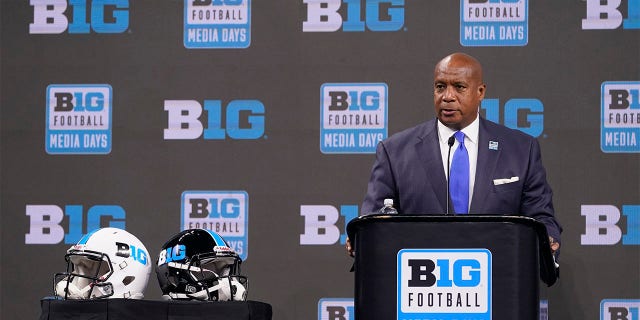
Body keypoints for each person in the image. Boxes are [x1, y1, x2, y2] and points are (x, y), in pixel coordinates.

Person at [346, 52, 561, 257]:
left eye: (459, 87)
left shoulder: (521, 149)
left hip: (498, 279)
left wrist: (548, 239)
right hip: (420, 285)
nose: (448, 96)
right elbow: (375, 218)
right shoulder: (394, 151)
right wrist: (363, 237)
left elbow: (540, 216)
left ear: (481, 92)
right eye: (440, 87)